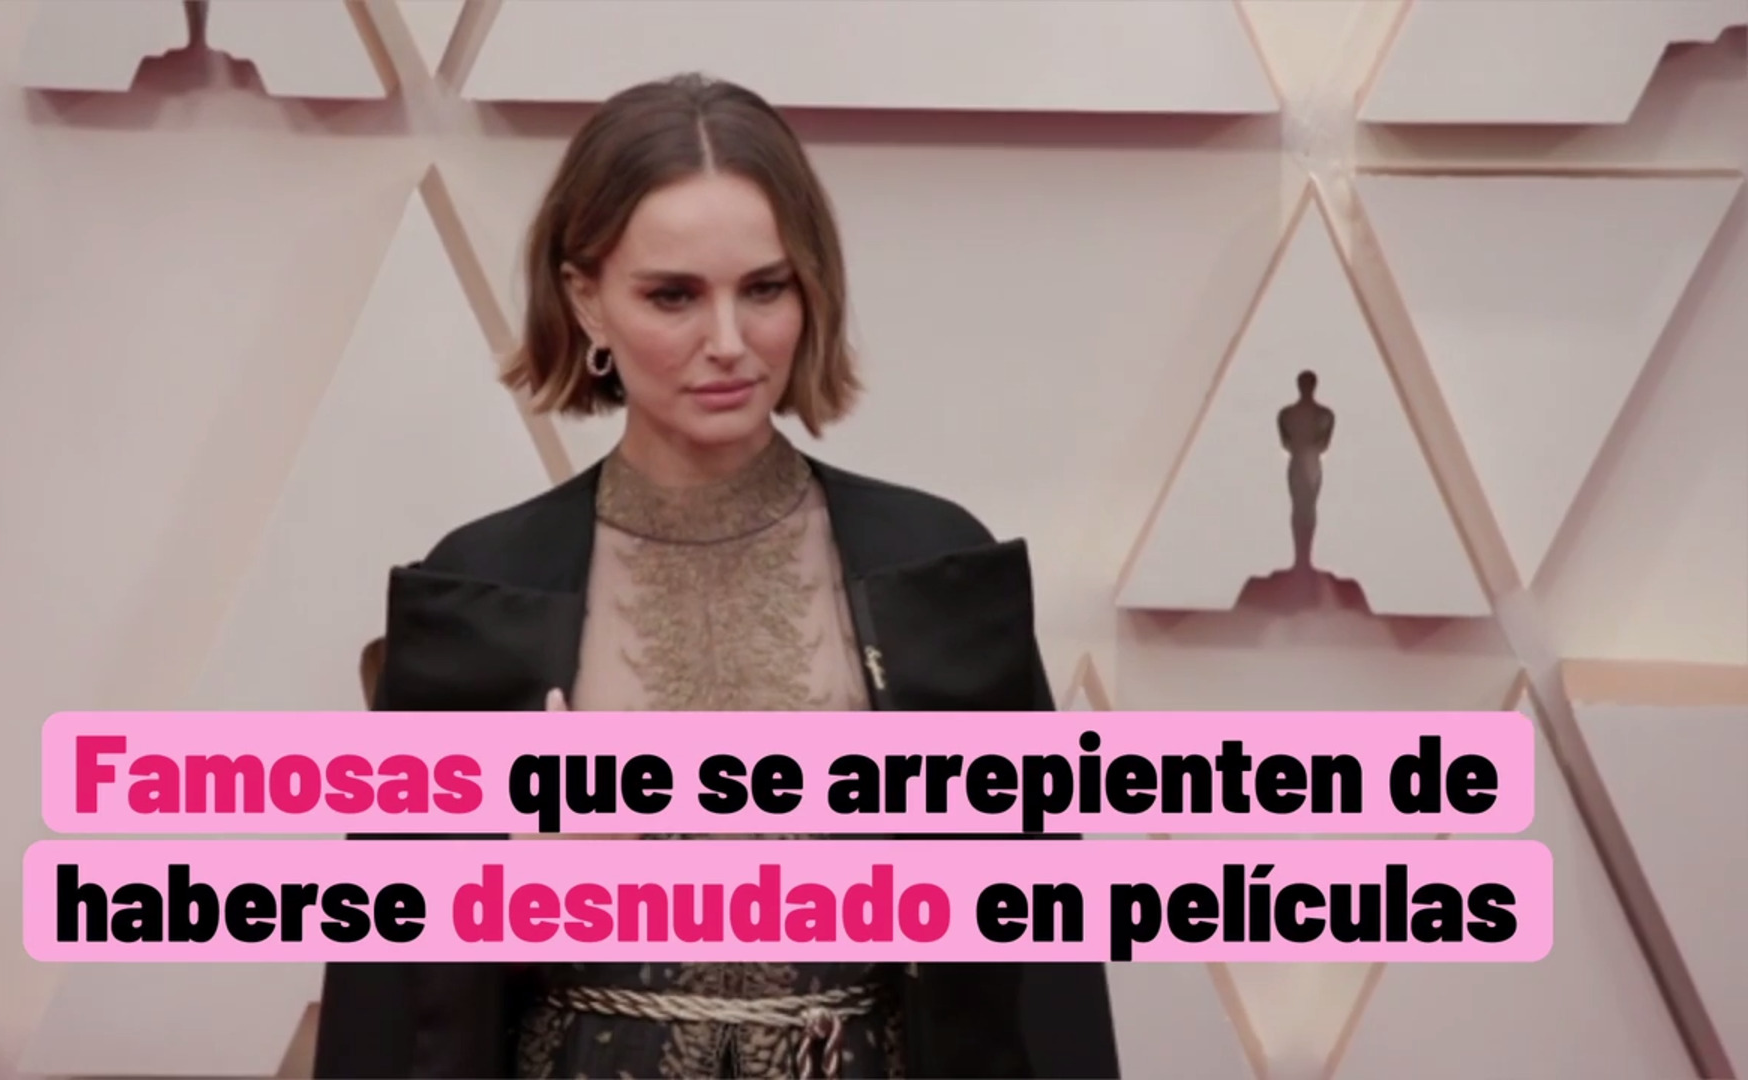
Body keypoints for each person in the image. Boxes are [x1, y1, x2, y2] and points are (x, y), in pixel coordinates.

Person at [311, 73, 1118, 1079]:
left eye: (765, 289)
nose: (729, 344)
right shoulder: (481, 587)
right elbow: (389, 988)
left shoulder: (934, 570)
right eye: (674, 295)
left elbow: (1043, 965)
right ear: (586, 300)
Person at [1277, 370, 1334, 571]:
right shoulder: (1323, 415)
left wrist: (1301, 446)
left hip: (1302, 461)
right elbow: (1323, 445)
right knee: (1305, 507)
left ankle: (1304, 558)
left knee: (1303, 507)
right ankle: (1302, 558)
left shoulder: (1288, 414)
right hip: (1309, 462)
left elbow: (1286, 443)